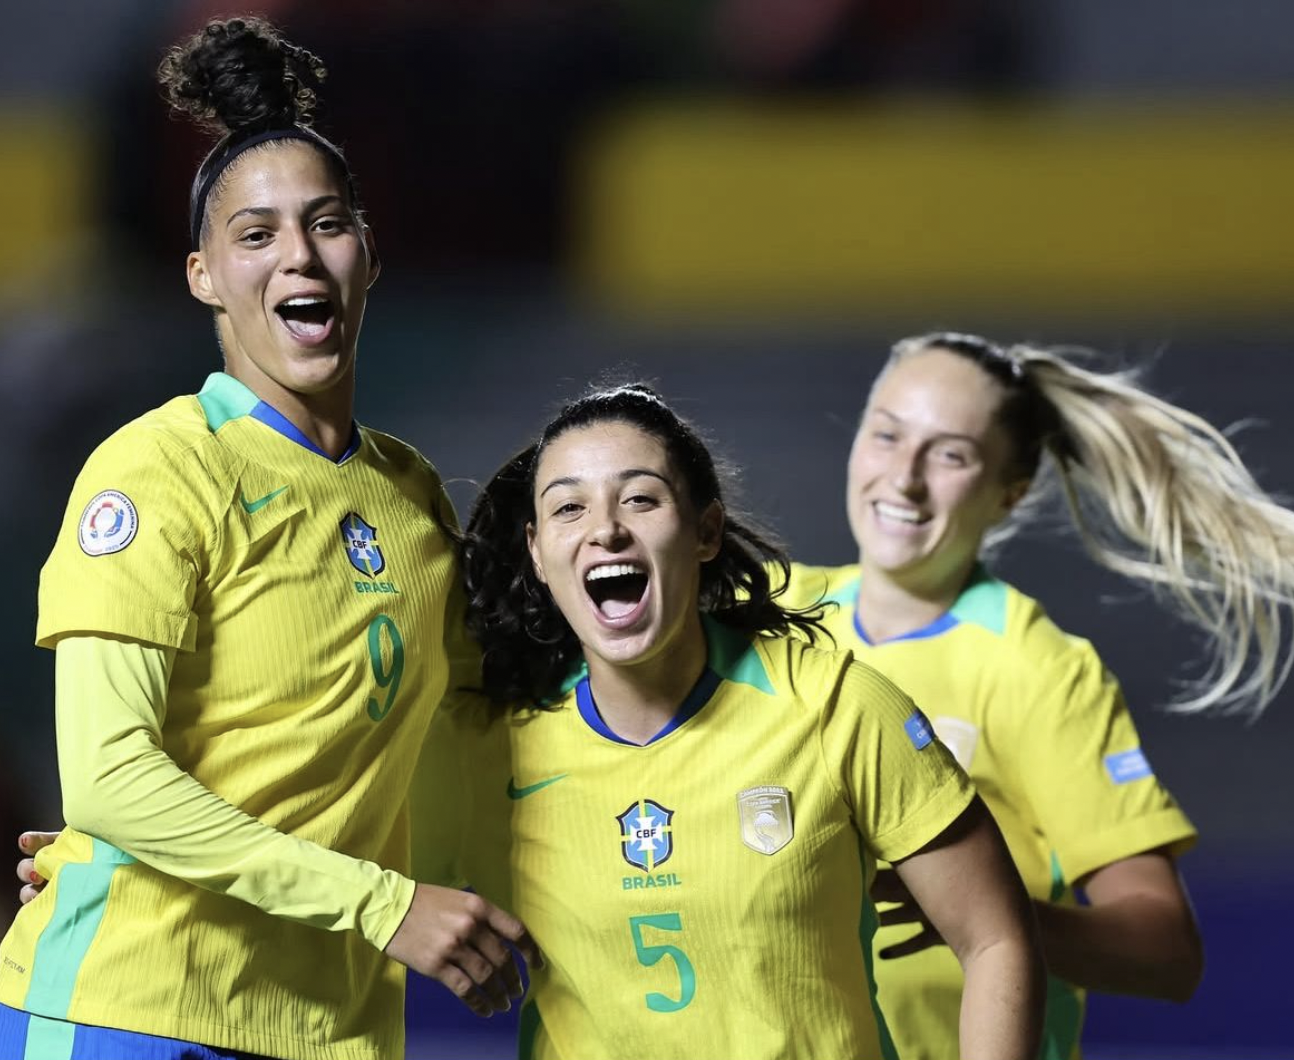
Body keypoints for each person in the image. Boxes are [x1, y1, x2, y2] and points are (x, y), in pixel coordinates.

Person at [0, 17, 536, 1060]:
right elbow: (110, 782)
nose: (298, 253)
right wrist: (385, 904)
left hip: (333, 1029)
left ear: (367, 254)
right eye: (255, 234)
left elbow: (468, 742)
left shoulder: (411, 495)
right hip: (129, 1010)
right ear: (203, 275)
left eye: (327, 223)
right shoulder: (156, 468)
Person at [406, 382, 1046, 1058]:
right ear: (537, 552)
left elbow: (997, 939)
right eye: (570, 508)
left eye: (641, 498)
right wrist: (394, 912)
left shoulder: (837, 707)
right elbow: (344, 872)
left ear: (705, 531)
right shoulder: (487, 746)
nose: (605, 529)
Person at [777, 331, 1294, 1058]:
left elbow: (1166, 951)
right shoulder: (770, 616)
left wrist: (980, 912)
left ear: (1008, 495)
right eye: (887, 435)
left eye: (951, 454)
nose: (905, 477)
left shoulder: (1038, 669)